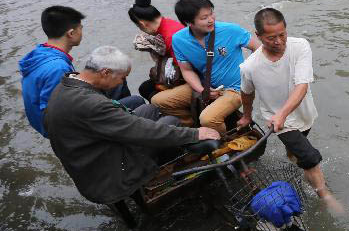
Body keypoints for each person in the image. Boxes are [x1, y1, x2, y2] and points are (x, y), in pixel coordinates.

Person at [43, 46, 219, 205]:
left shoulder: (67, 84)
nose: (121, 83)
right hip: (108, 173)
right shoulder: (92, 104)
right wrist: (194, 134)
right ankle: (172, 176)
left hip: (92, 153)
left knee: (150, 109)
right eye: (122, 78)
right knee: (171, 122)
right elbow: (144, 131)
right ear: (105, 72)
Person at [238, 8, 343, 213]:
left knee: (297, 151)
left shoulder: (300, 46)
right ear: (258, 36)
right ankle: (326, 196)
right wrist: (247, 116)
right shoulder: (250, 66)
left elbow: (302, 85)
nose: (278, 41)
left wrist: (283, 113)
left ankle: (295, 159)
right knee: (310, 157)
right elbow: (246, 93)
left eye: (282, 34)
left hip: (302, 112)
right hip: (278, 121)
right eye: (271, 38)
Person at [151, 0, 260, 134]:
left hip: (235, 89)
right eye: (204, 18)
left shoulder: (231, 30)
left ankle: (223, 141)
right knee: (159, 101)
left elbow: (258, 48)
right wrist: (203, 90)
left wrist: (249, 75)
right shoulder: (178, 40)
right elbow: (187, 70)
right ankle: (192, 129)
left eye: (211, 14)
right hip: (206, 85)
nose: (211, 20)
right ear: (188, 22)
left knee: (208, 119)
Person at [19, 6, 85, 136]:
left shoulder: (40, 52)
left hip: (40, 123)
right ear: (71, 33)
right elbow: (56, 114)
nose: (82, 32)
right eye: (81, 28)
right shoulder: (58, 68)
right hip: (62, 134)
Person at [128, 0, 185, 101]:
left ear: (142, 24)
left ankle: (180, 116)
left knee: (147, 89)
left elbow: (184, 68)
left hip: (190, 77)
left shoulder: (170, 37)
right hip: (184, 71)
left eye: (138, 27)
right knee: (146, 86)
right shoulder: (169, 23)